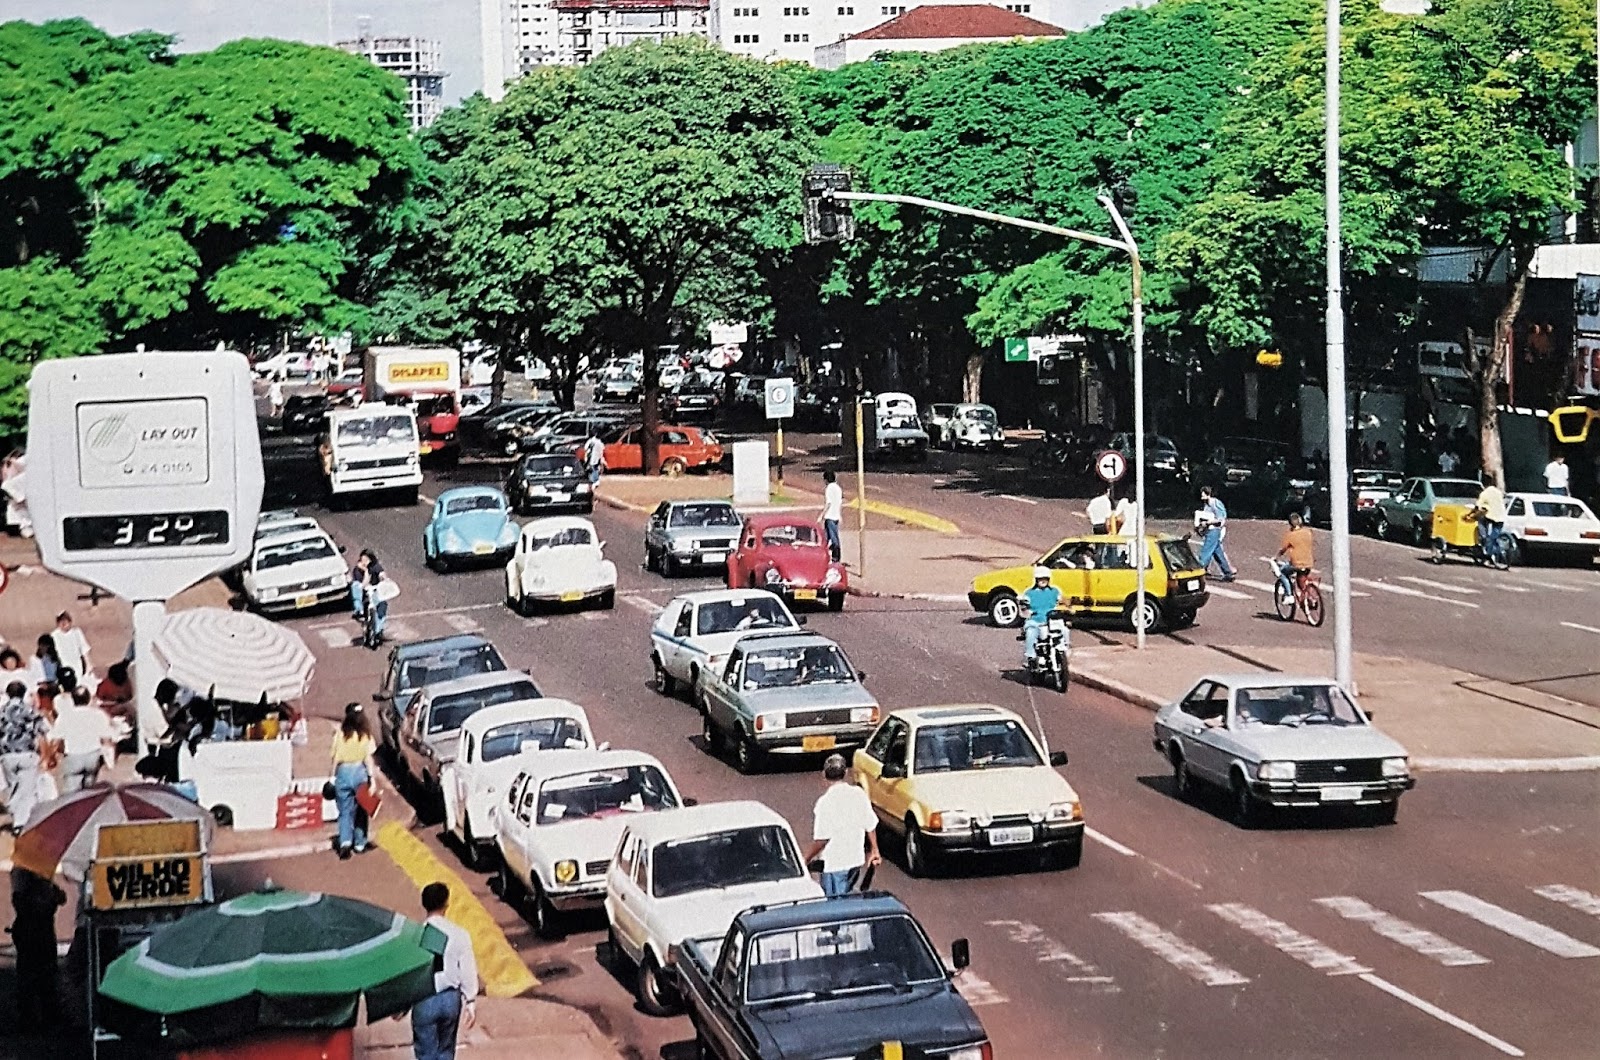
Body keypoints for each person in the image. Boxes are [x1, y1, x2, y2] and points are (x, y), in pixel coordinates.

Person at [410, 882, 480, 1060]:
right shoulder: (459, 934)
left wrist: (400, 1006)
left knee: (426, 1053)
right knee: (446, 1051)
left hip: (423, 998)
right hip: (450, 999)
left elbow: (408, 973)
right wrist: (470, 1000)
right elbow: (467, 970)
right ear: (446, 904)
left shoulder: (414, 936)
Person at [802, 754, 881, 897]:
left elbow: (822, 839)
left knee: (836, 908)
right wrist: (875, 850)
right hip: (855, 861)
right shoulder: (858, 794)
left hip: (835, 864)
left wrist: (805, 859)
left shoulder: (824, 802)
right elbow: (870, 825)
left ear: (824, 776)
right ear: (845, 773)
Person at [10, 867, 66, 1031]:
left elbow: (59, 898)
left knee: (44, 972)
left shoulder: (41, 876)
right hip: (31, 928)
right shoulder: (23, 873)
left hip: (41, 927)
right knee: (31, 973)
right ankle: (30, 1016)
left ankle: (46, 1014)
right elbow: (21, 901)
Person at [330, 703, 378, 859]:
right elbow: (368, 759)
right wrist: (372, 780)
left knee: (344, 811)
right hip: (359, 772)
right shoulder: (365, 735)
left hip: (343, 772)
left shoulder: (340, 734)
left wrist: (332, 778)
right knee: (361, 810)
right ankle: (359, 844)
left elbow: (335, 758)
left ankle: (345, 844)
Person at [1, 681, 49, 834]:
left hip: (7, 755)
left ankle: (16, 817)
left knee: (14, 787)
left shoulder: (1, 712)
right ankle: (22, 823)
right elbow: (42, 731)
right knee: (27, 790)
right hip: (27, 753)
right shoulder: (30, 711)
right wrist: (45, 755)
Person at [50, 684, 115, 793]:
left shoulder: (65, 715)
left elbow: (56, 739)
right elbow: (106, 739)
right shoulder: (98, 714)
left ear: (73, 700)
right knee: (89, 792)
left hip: (73, 756)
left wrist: (51, 756)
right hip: (93, 756)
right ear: (89, 698)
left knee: (71, 795)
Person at [1020, 566, 1063, 668]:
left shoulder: (1055, 591)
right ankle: (1031, 657)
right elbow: (1023, 608)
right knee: (1030, 632)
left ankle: (1062, 652)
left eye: (1045, 578)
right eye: (1040, 578)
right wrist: (1025, 610)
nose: (1042, 581)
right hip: (1035, 621)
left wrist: (1067, 607)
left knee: (1064, 630)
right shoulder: (1029, 593)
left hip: (1051, 621)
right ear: (1036, 580)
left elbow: (1062, 602)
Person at [1194, 488, 1237, 582]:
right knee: (1218, 553)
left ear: (1208, 494)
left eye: (1203, 494)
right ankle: (1228, 573)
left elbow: (1221, 518)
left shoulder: (1216, 503)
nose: (1201, 496)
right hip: (1209, 530)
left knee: (1205, 552)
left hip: (1214, 530)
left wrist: (1208, 523)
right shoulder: (1207, 505)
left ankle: (1198, 572)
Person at [350, 549, 389, 647]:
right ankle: (359, 610)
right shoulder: (357, 570)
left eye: (366, 559)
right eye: (363, 559)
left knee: (382, 605)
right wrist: (365, 572)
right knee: (355, 587)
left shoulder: (375, 566)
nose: (364, 561)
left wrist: (385, 580)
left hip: (375, 590)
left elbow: (382, 574)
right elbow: (363, 582)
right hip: (364, 593)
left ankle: (378, 630)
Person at [1273, 511, 1316, 594]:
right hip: (1309, 563)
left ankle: (1289, 594)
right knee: (1301, 580)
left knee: (1282, 572)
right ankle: (1308, 598)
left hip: (1296, 564)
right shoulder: (1308, 532)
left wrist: (1276, 557)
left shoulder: (1290, 535)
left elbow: (1283, 549)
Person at [50, 612, 92, 683]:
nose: (63, 623)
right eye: (61, 621)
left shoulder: (77, 632)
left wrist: (88, 665)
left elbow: (84, 650)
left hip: (77, 666)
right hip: (63, 666)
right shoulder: (54, 636)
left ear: (70, 622)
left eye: (65, 621)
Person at [1474, 479, 1508, 557]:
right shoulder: (1499, 492)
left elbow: (1477, 506)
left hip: (1490, 515)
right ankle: (1493, 542)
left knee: (1481, 522)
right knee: (1495, 533)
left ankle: (1485, 540)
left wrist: (1473, 513)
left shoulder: (1484, 493)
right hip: (1501, 516)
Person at [821, 469, 844, 561]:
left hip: (829, 516)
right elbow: (839, 502)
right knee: (828, 536)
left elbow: (828, 503)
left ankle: (836, 556)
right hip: (836, 516)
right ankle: (827, 553)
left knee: (832, 537)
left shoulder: (829, 488)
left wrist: (822, 515)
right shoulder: (838, 488)